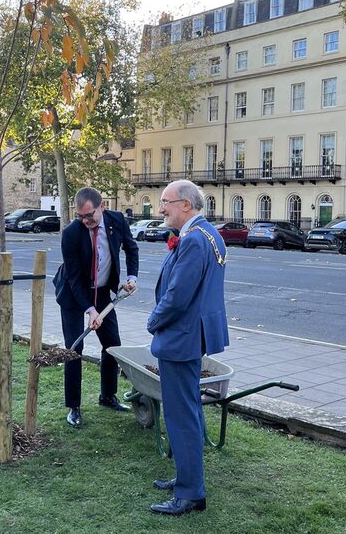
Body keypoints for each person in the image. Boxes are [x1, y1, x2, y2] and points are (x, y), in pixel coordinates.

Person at [146, 180, 229, 517]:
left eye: (165, 202)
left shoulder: (194, 241)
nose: (161, 209)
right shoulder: (211, 234)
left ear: (185, 204)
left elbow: (178, 295)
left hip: (181, 338)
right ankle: (186, 477)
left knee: (182, 417)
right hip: (192, 336)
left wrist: (153, 321)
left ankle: (190, 493)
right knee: (189, 412)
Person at [53, 187, 139, 428]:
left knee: (112, 344)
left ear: (102, 206)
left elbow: (131, 249)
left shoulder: (117, 220)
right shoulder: (71, 233)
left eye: (89, 215)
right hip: (73, 293)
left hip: (102, 290)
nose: (85, 221)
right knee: (74, 347)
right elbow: (73, 277)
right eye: (80, 216)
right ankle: (74, 407)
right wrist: (90, 310)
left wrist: (132, 278)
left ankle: (107, 396)